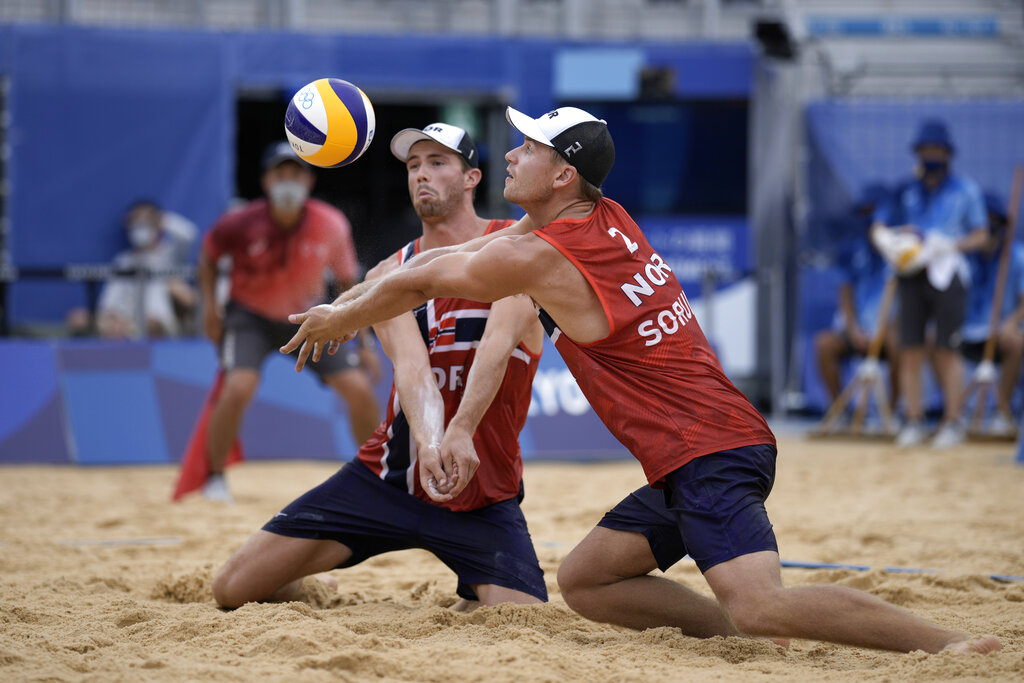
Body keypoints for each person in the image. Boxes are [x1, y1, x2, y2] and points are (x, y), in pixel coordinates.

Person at [281, 106, 1000, 656]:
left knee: (764, 603)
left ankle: (946, 647)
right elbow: (466, 257)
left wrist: (339, 315)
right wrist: (353, 307)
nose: (511, 152)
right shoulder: (601, 215)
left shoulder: (547, 258)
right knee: (587, 579)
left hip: (712, 449)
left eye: (528, 147)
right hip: (688, 452)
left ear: (562, 174)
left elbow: (431, 276)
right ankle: (731, 634)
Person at [211, 123, 547, 609]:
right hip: (387, 479)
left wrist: (459, 431)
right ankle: (313, 581)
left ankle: (473, 589)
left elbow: (495, 351)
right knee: (233, 590)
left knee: (523, 619)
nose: (421, 176)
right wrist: (431, 443)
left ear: (472, 177)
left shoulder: (514, 252)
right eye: (413, 167)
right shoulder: (388, 274)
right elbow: (413, 372)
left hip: (481, 492)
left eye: (437, 163)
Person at [197, 142, 381, 503]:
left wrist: (364, 341)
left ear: (309, 181)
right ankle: (214, 478)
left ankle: (375, 476)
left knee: (359, 390)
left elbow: (348, 284)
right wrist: (210, 310)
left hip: (309, 318)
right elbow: (207, 259)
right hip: (248, 317)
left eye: (296, 174)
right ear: (266, 181)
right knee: (236, 388)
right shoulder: (239, 222)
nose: (288, 181)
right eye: (281, 174)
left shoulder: (330, 223)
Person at [871, 119, 989, 449]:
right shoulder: (904, 190)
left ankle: (953, 421)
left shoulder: (965, 190)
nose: (931, 155)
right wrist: (887, 241)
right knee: (909, 348)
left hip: (947, 273)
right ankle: (913, 420)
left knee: (946, 349)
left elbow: (981, 235)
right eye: (925, 150)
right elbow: (878, 225)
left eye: (936, 149)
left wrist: (948, 245)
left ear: (948, 153)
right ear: (918, 153)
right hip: (909, 273)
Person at [814, 184, 900, 413]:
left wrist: (886, 329)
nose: (868, 218)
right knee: (824, 344)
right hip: (858, 332)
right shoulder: (850, 250)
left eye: (872, 211)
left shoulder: (903, 249)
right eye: (863, 212)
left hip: (891, 331)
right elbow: (845, 293)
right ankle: (839, 411)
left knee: (900, 341)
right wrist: (853, 329)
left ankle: (893, 415)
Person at [68, 199, 198, 338]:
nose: (139, 225)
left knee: (151, 324)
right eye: (135, 221)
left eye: (145, 222)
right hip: (123, 320)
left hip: (155, 321)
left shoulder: (169, 254)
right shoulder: (122, 260)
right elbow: (110, 296)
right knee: (77, 319)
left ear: (156, 223)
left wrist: (161, 219)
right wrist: (110, 315)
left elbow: (189, 234)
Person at [960, 192, 1024, 436]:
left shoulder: (1017, 256)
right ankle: (955, 414)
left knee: (1017, 343)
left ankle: (1002, 411)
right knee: (936, 341)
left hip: (1001, 332)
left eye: (991, 220)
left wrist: (1011, 322)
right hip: (966, 332)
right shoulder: (964, 256)